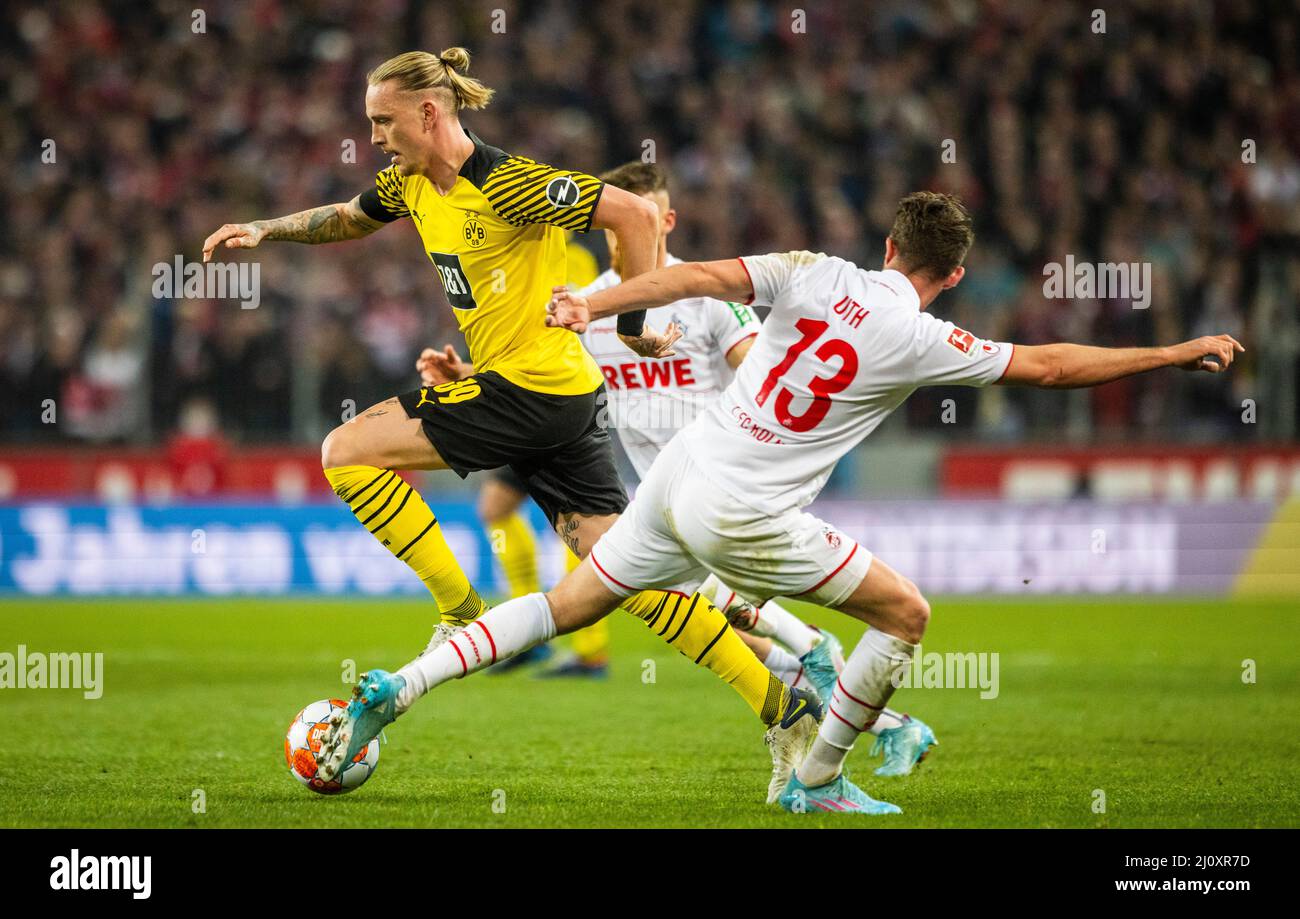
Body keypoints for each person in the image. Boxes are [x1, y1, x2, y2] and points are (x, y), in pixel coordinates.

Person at [319, 191, 1242, 812]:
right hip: (743, 509)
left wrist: (598, 308)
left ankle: (398, 686)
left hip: (681, 470)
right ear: (949, 274)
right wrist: (1171, 353)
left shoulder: (813, 268)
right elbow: (1047, 366)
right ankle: (820, 775)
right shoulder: (927, 337)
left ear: (884, 246)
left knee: (568, 605)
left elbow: (702, 275)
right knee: (906, 613)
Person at [202, 48, 820, 786]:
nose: (372, 137)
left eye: (382, 121)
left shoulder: (508, 181)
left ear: (429, 113)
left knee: (346, 449)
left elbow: (631, 211)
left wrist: (629, 327)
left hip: (533, 392)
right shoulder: (408, 184)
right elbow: (345, 218)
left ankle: (460, 608)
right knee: (627, 574)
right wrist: (267, 229)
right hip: (560, 395)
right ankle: (784, 708)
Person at [421, 161, 935, 781]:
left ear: (664, 220)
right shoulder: (585, 306)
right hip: (662, 502)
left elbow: (762, 375)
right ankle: (850, 691)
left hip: (722, 488)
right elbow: (545, 380)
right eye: (611, 224)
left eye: (641, 219)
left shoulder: (704, 299)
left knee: (707, 625)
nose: (623, 236)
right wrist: (471, 385)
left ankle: (825, 673)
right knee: (711, 629)